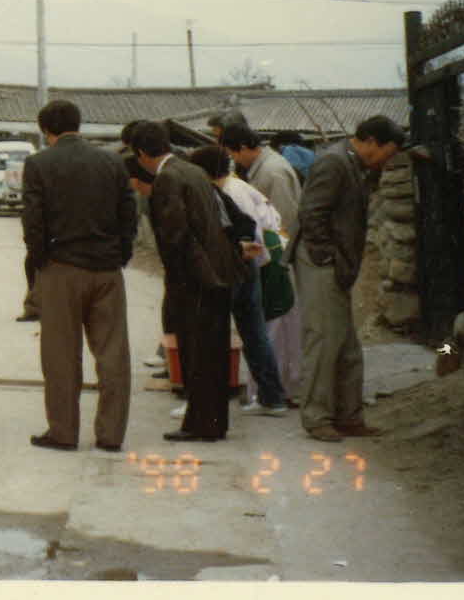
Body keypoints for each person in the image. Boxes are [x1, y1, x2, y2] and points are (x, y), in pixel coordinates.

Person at [21, 98, 136, 453]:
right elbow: (129, 214)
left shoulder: (39, 164)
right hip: (106, 269)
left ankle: (63, 431)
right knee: (113, 353)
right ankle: (111, 434)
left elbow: (33, 221)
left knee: (60, 354)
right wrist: (120, 255)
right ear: (78, 124)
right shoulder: (111, 162)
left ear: (46, 131)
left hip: (61, 268)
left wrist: (41, 264)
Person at [130, 121, 244, 443]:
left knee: (197, 354)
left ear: (141, 153)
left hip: (195, 278)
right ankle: (214, 422)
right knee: (214, 352)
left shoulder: (168, 178)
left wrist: (178, 281)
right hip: (218, 271)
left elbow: (175, 235)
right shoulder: (192, 170)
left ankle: (199, 425)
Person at [294, 115, 406, 443]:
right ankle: (317, 418)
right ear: (371, 141)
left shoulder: (352, 164)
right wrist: (326, 257)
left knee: (345, 345)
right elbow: (311, 213)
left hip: (334, 264)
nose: (388, 158)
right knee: (324, 341)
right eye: (388, 150)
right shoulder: (334, 162)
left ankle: (348, 415)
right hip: (321, 264)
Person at [193, 145, 289, 417]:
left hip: (236, 267)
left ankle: (209, 403)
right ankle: (273, 398)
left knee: (220, 334)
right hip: (248, 267)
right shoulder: (237, 187)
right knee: (254, 333)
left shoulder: (227, 192)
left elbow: (245, 231)